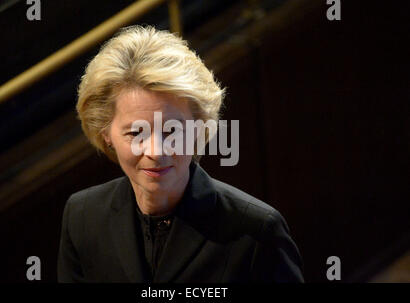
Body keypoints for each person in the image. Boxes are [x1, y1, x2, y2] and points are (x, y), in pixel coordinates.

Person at [57, 25, 304, 282]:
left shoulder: (256, 231)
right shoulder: (82, 216)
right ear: (105, 133)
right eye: (136, 134)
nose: (156, 151)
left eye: (172, 130)